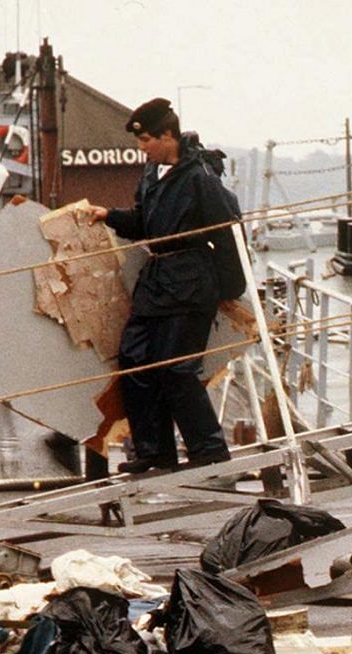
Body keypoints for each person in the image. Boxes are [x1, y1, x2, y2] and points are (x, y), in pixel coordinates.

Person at [84, 97, 234, 474]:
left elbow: (226, 226)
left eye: (147, 140)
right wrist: (109, 216)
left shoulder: (199, 176)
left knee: (176, 368)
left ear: (169, 135)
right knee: (134, 360)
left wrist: (230, 286)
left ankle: (209, 448)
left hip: (190, 282)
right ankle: (154, 451)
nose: (142, 148)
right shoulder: (151, 175)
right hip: (157, 282)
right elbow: (143, 223)